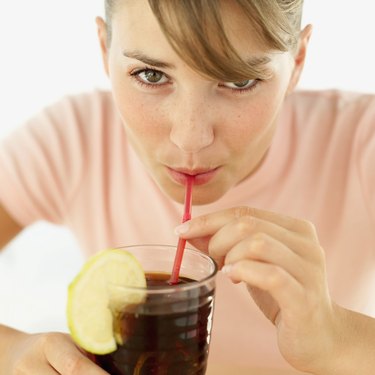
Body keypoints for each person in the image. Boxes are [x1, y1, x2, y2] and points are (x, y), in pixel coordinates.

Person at [0, 0, 374, 373]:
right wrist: (12, 351)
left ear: (297, 62)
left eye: (239, 81)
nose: (190, 138)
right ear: (103, 49)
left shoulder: (362, 142)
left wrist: (334, 337)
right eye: (150, 75)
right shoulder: (74, 137)